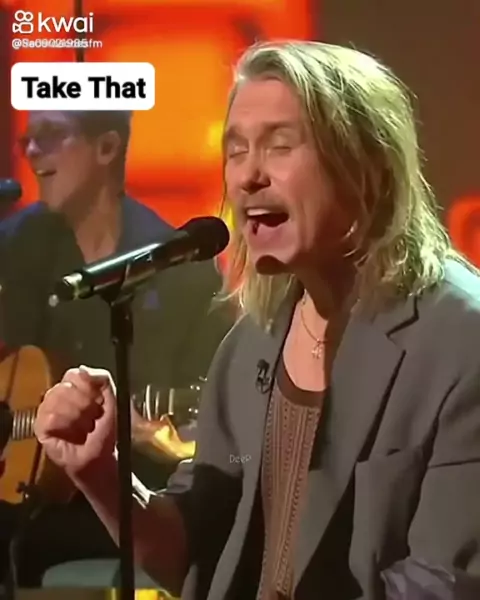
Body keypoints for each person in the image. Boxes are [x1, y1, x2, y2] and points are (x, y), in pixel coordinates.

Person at [34, 40, 480, 600]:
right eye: (236, 149)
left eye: (279, 146)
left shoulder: (461, 342)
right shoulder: (252, 343)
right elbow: (194, 559)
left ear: (367, 165)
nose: (247, 176)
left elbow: (443, 586)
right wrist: (102, 473)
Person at [0, 110, 232, 586]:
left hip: (129, 494)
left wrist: (154, 438)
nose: (33, 152)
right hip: (27, 495)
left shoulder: (181, 268)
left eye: (51, 136)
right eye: (28, 141)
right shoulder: (18, 246)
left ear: (106, 148)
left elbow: (210, 423)